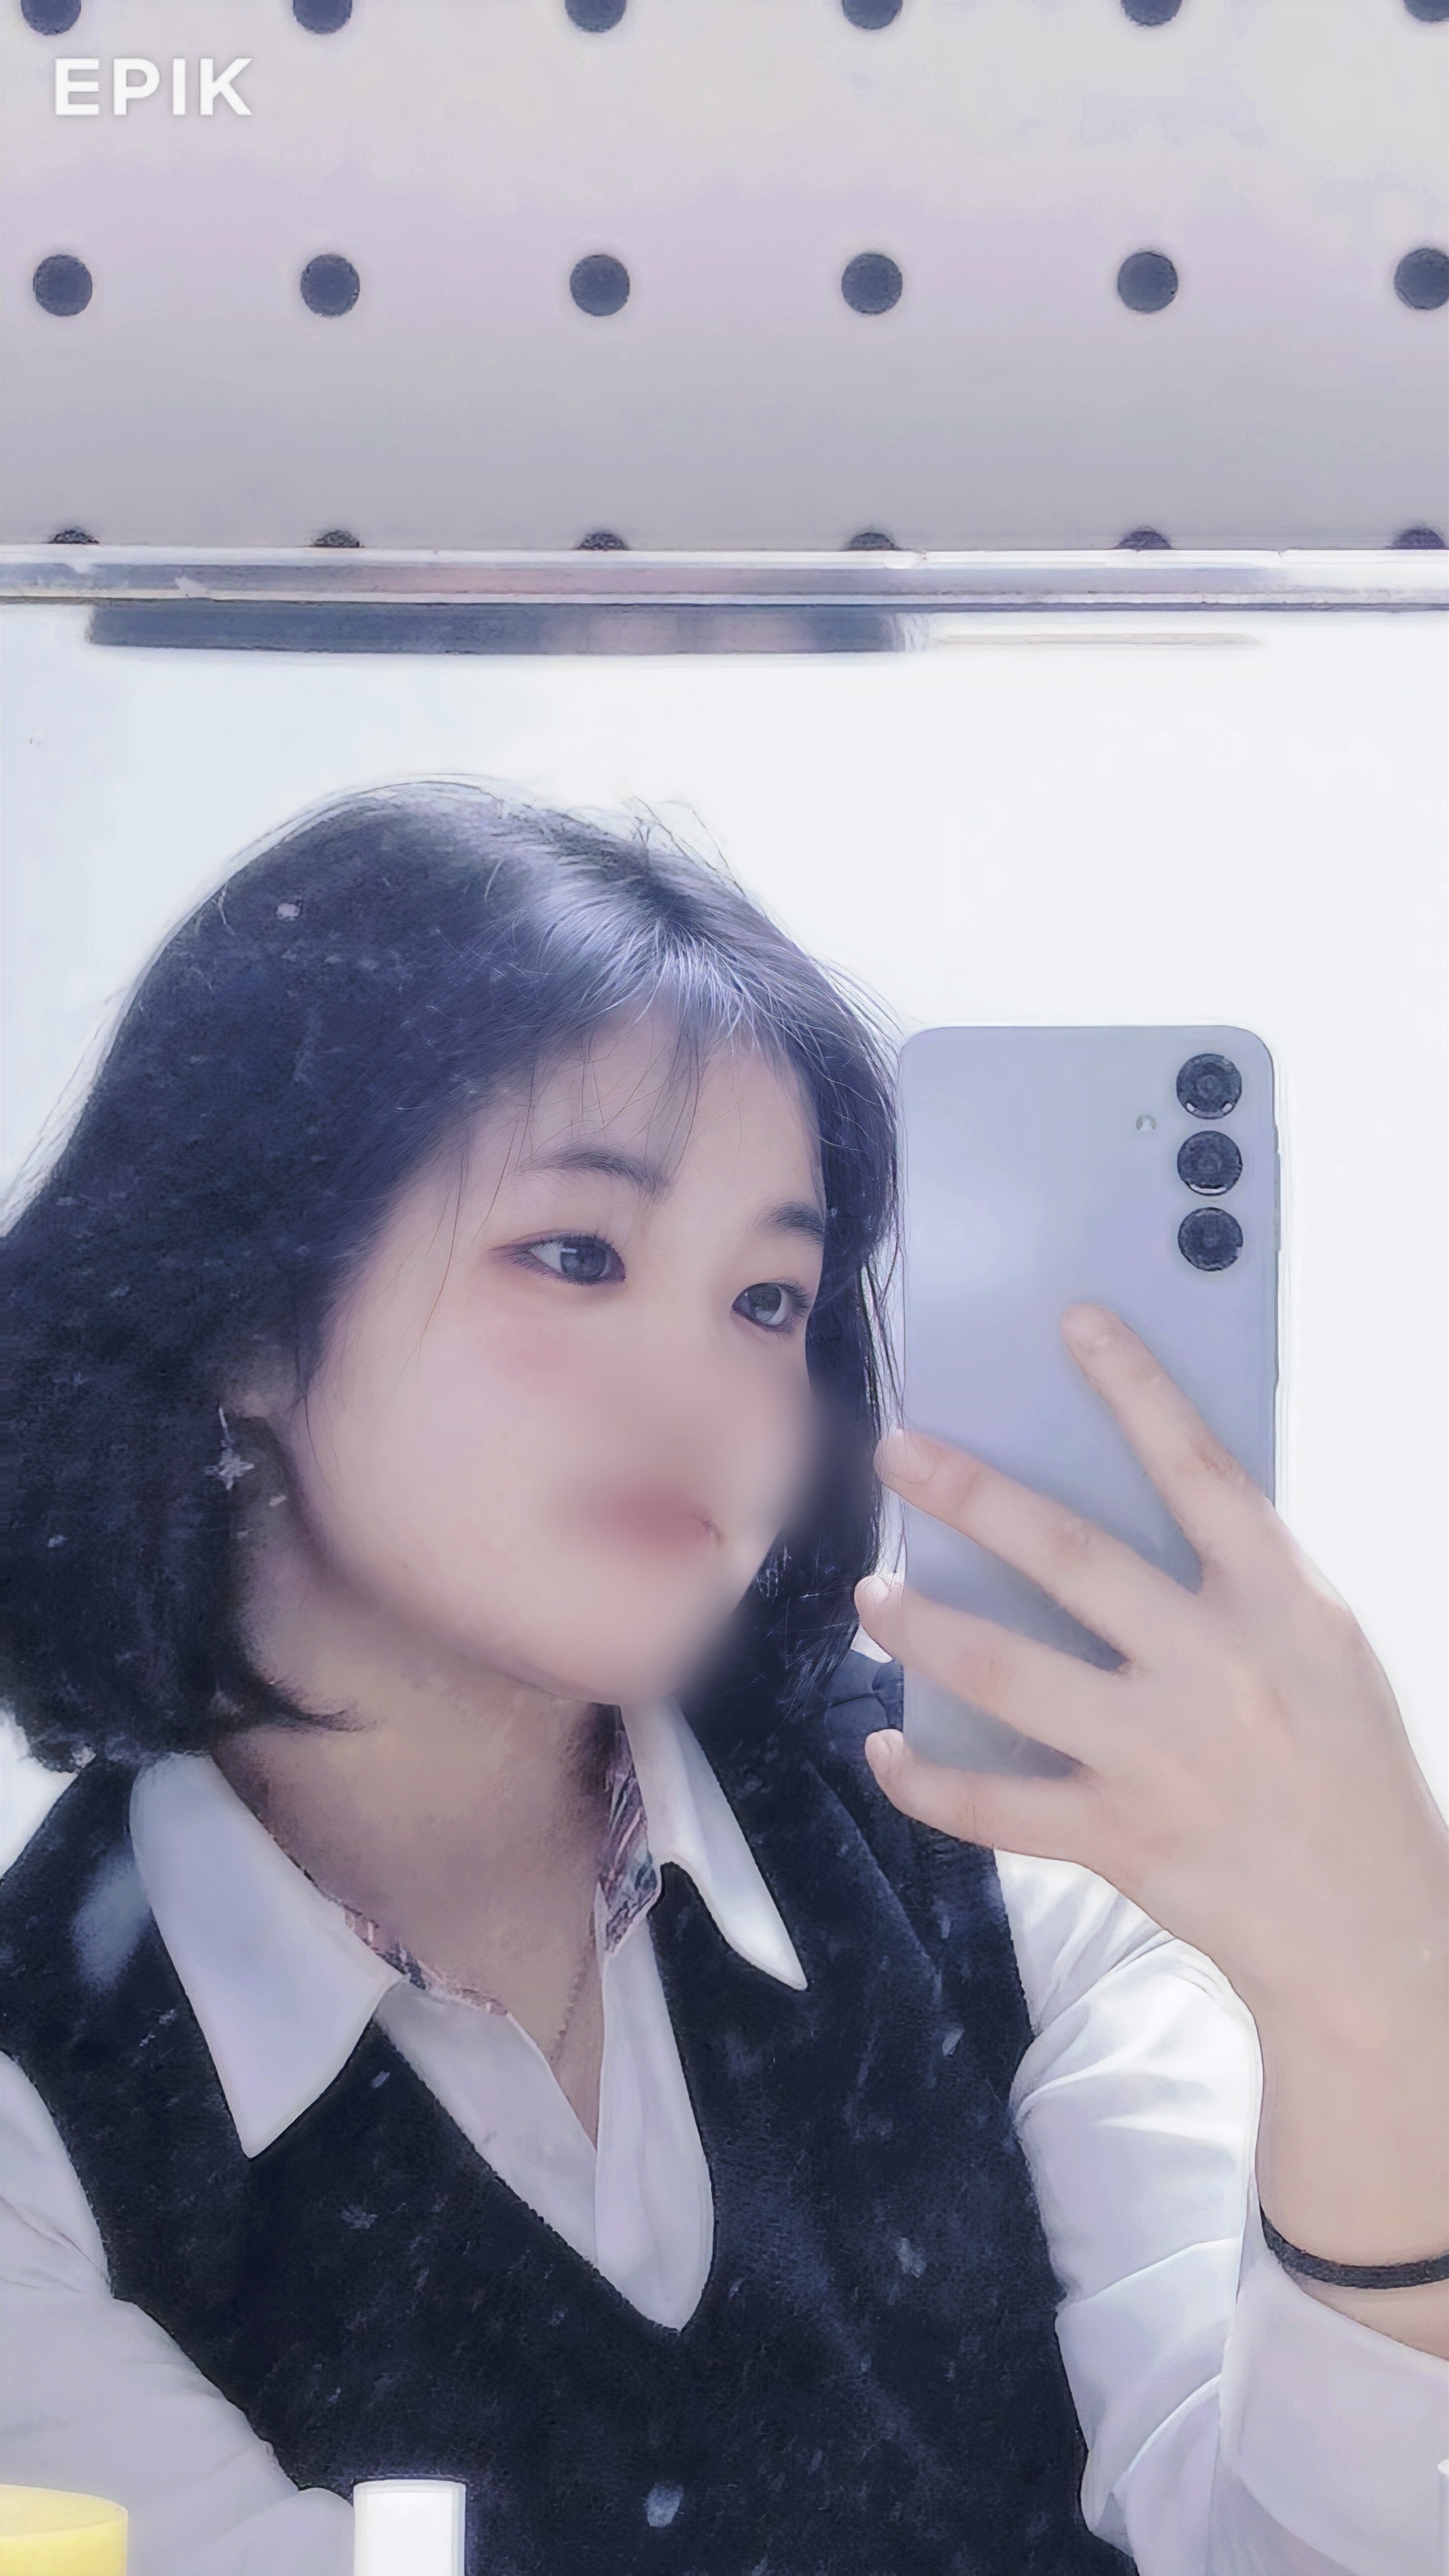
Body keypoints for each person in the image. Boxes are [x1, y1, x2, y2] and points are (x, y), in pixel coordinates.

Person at [0, 780, 1443, 2576]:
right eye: (577, 1255)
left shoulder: (990, 1871)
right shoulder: (40, 2130)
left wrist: (1384, 2000)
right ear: (236, 1311)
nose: (708, 1390)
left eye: (769, 1299)